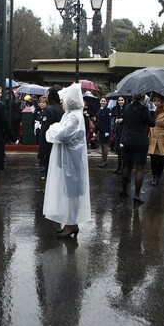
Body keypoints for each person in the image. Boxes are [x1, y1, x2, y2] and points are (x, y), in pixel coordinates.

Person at [43, 83, 90, 238]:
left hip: (72, 162)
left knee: (72, 193)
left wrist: (53, 128)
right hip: (69, 161)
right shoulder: (71, 115)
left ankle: (71, 224)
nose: (62, 102)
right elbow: (59, 131)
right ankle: (70, 223)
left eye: (64, 99)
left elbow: (62, 135)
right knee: (70, 193)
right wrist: (55, 129)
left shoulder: (74, 117)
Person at [120, 92, 155, 205]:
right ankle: (137, 195)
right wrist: (152, 111)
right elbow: (152, 123)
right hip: (140, 140)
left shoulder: (127, 107)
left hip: (128, 139)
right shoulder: (144, 108)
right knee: (139, 169)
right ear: (143, 97)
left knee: (127, 166)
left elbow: (125, 120)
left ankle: (124, 190)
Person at [38, 85, 64, 178]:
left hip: (51, 147)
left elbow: (45, 132)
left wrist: (41, 153)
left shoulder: (50, 110)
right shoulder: (63, 109)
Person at [147, 92, 164, 186]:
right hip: (153, 136)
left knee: (161, 159)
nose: (156, 103)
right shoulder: (153, 111)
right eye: (154, 101)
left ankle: (158, 175)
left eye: (158, 101)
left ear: (162, 102)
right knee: (153, 158)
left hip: (162, 137)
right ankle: (154, 176)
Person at [95, 96, 112, 167]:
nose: (103, 102)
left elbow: (108, 121)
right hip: (100, 131)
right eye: (102, 101)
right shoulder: (99, 110)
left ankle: (104, 161)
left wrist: (107, 132)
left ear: (106, 102)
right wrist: (95, 131)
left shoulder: (108, 110)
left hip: (106, 131)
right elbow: (98, 121)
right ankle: (103, 160)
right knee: (102, 146)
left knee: (105, 146)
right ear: (100, 102)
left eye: (104, 101)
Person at [111, 96, 126, 174]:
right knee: (118, 151)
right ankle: (118, 167)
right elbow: (113, 114)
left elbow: (128, 118)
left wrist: (123, 119)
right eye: (119, 100)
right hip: (117, 131)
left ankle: (124, 168)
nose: (120, 101)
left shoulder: (127, 109)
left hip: (124, 131)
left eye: (122, 100)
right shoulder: (116, 108)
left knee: (123, 150)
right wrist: (116, 119)